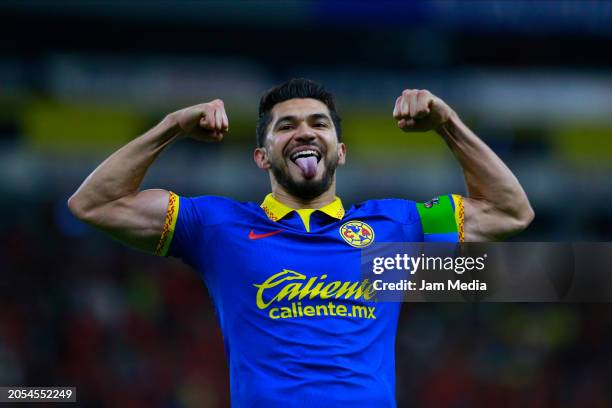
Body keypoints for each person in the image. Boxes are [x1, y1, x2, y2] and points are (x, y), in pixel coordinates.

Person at [68, 78, 533, 407]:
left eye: (319, 123)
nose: (305, 131)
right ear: (262, 155)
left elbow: (510, 211)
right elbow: (95, 204)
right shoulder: (216, 226)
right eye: (286, 126)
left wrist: (447, 122)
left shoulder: (398, 224)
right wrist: (171, 126)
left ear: (340, 151)